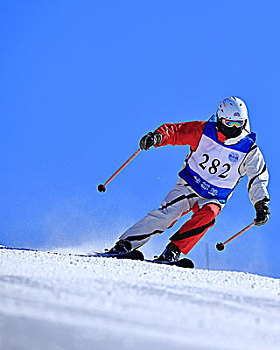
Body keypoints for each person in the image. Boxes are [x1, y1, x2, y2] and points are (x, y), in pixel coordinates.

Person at [107, 97, 270, 263]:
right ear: (220, 120)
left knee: (209, 214)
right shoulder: (205, 131)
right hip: (189, 186)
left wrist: (260, 203)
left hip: (214, 196)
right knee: (167, 214)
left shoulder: (249, 150)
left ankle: (173, 251)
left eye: (238, 124)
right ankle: (125, 245)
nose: (234, 128)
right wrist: (157, 137)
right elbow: (177, 131)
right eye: (229, 123)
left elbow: (258, 177)